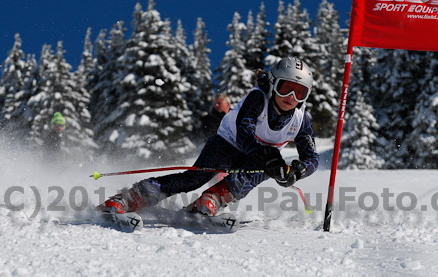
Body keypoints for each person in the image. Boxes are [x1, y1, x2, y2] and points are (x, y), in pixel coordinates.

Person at [97, 56, 319, 217]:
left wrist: (297, 172)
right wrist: (267, 156)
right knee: (194, 178)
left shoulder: (301, 120)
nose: (291, 97)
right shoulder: (257, 98)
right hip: (227, 145)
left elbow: (312, 158)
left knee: (246, 179)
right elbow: (244, 132)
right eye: (285, 88)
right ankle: (131, 197)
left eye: (299, 92)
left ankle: (211, 199)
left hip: (257, 158)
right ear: (273, 83)